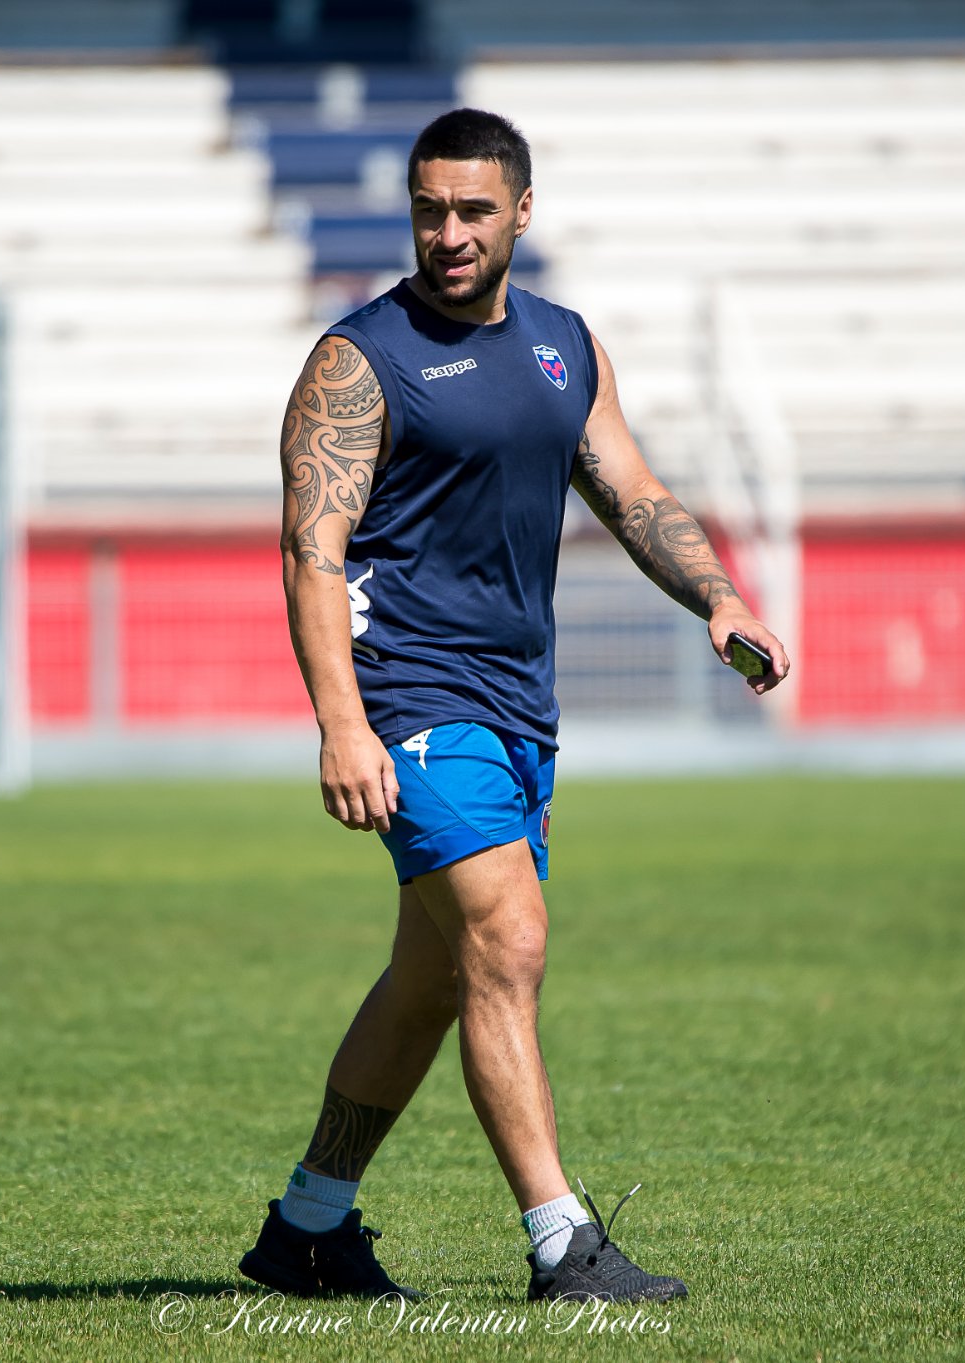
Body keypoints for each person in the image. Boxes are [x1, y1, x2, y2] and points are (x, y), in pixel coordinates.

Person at [238, 108, 791, 1305]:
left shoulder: (563, 345)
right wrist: (341, 722)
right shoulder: (356, 360)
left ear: (520, 213)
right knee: (510, 938)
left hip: (516, 708)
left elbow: (628, 487)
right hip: (412, 697)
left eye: (473, 210)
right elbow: (309, 550)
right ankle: (561, 1242)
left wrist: (717, 595)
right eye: (428, 209)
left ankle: (309, 1227)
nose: (448, 233)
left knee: (432, 978)